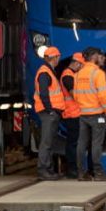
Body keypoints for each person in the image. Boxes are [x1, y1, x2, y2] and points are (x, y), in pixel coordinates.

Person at [73, 47, 106, 181]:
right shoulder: (98, 73)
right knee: (96, 144)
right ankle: (98, 173)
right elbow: (103, 94)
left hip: (83, 114)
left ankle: (81, 172)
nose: (102, 57)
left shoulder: (78, 74)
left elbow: (75, 95)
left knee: (81, 143)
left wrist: (83, 106)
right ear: (94, 56)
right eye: (99, 55)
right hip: (97, 114)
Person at [33, 47, 65, 180]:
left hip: (51, 113)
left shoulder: (48, 71)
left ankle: (49, 169)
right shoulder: (44, 73)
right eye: (58, 57)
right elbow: (44, 94)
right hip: (48, 113)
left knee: (50, 142)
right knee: (46, 142)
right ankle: (43, 170)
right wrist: (50, 110)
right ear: (55, 57)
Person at [59, 53, 84, 178]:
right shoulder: (68, 76)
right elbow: (74, 94)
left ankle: (74, 168)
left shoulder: (70, 75)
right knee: (73, 143)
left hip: (74, 114)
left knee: (73, 142)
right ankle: (72, 169)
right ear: (76, 63)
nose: (81, 68)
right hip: (72, 114)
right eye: (81, 65)